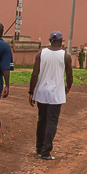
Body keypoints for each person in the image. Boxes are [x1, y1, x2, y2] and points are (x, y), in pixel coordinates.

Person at [28, 30, 73, 160]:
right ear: (61, 42)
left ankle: (39, 148)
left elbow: (34, 74)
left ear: (49, 41)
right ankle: (46, 152)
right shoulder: (65, 56)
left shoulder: (41, 54)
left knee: (42, 120)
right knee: (52, 122)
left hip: (42, 92)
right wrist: (68, 86)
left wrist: (31, 92)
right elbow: (69, 74)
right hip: (56, 94)